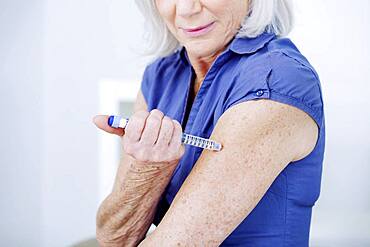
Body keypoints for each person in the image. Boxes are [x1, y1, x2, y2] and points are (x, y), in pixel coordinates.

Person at [92, 0, 326, 246]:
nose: (185, 9)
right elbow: (113, 237)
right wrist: (148, 168)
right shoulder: (161, 75)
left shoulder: (277, 78)